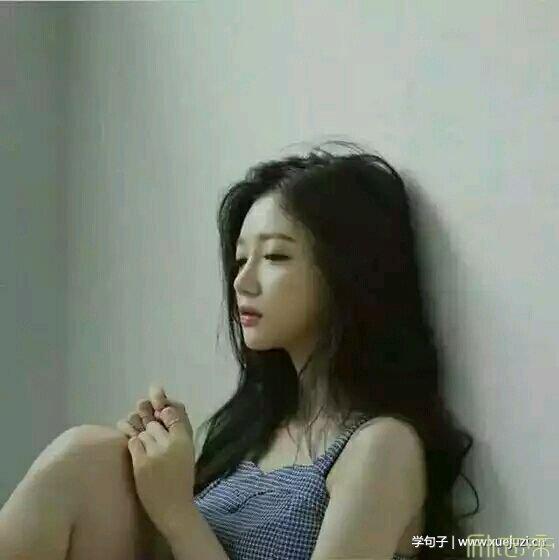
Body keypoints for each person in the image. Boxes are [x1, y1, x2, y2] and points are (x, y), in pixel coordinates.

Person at [0, 141, 479, 560]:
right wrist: (156, 465)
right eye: (240, 259)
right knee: (94, 455)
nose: (242, 282)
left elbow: (184, 529)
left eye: (274, 256)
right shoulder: (250, 431)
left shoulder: (380, 447)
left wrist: (177, 512)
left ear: (348, 272)